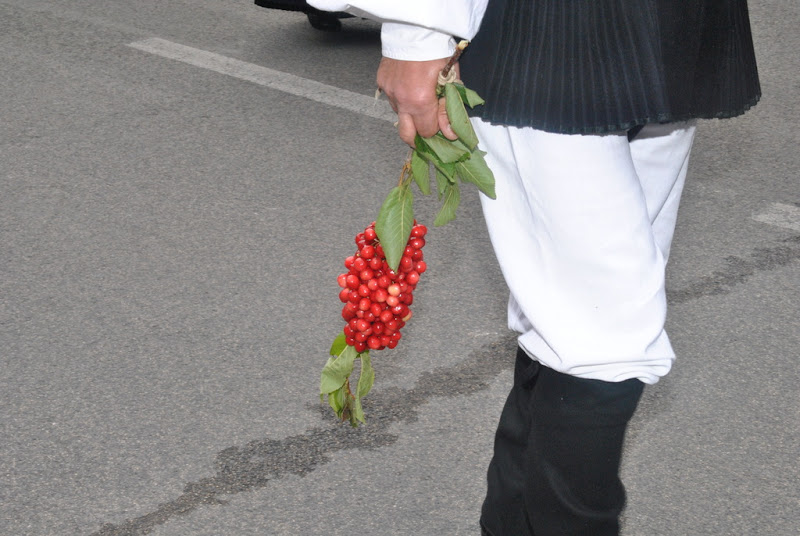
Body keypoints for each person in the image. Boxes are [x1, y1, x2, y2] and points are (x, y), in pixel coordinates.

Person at [307, 1, 761, 535]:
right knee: (601, 335)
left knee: (576, 322)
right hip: (547, 28)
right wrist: (418, 28)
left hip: (659, 21)